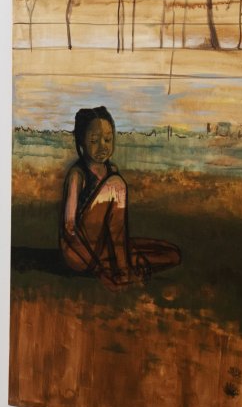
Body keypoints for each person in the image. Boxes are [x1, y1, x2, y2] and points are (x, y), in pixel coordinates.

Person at [58, 106, 179, 289]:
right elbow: (69, 229)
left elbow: (116, 230)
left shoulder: (111, 170)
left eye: (108, 139)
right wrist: (100, 269)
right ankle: (123, 271)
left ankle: (126, 264)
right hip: (79, 253)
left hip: (104, 248)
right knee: (116, 185)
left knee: (172, 254)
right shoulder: (78, 174)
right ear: (81, 141)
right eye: (94, 140)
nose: (102, 147)